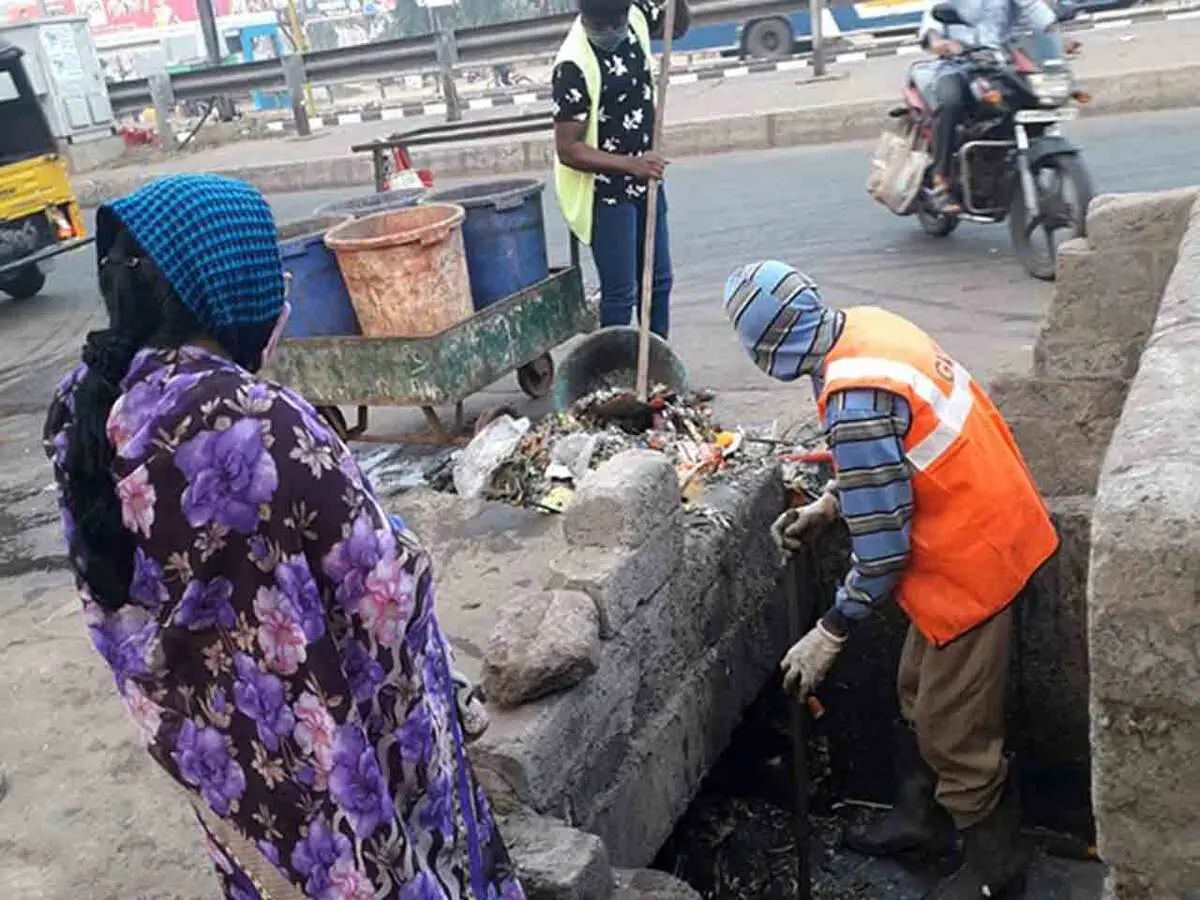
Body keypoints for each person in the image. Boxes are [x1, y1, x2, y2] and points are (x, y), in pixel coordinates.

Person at [44, 173, 525, 900]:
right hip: (338, 764)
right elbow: (380, 596)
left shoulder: (87, 406)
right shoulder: (258, 421)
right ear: (231, 283)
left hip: (226, 764)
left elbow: (112, 604)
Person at [723, 261, 1059, 900]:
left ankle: (998, 866)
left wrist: (831, 629)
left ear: (769, 348)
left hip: (976, 561)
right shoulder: (864, 329)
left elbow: (880, 554)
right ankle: (919, 822)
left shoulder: (853, 399)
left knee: (953, 732)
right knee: (915, 692)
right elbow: (894, 455)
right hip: (979, 524)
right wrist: (830, 504)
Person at [551, 0, 690, 340]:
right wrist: (631, 165)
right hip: (605, 192)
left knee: (658, 283)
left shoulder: (636, 16)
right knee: (621, 294)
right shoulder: (572, 64)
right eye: (599, 25)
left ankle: (658, 371)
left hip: (647, 178)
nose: (609, 31)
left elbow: (677, 26)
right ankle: (614, 376)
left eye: (616, 22)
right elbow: (568, 148)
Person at [916, 0, 1058, 214]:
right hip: (956, 65)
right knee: (951, 103)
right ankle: (940, 182)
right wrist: (939, 43)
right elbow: (931, 28)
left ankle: (1016, 160)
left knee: (1035, 100)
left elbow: (1040, 17)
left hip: (1001, 65)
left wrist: (1056, 39)